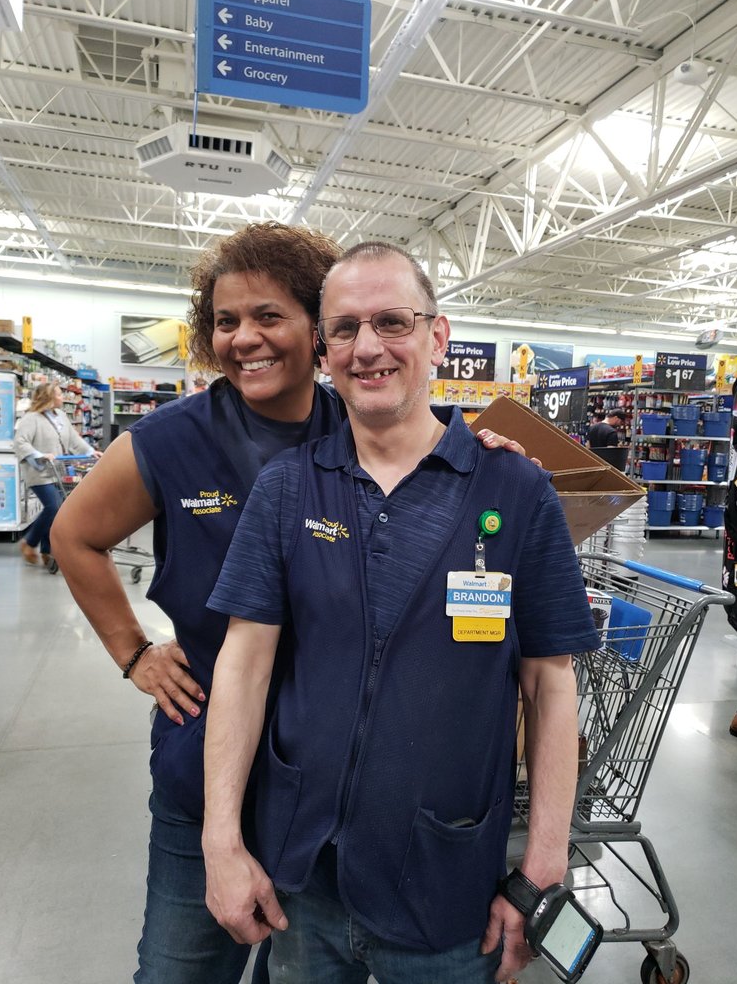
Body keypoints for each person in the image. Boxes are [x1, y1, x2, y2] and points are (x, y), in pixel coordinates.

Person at [50, 223, 523, 983]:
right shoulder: (169, 441)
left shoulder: (360, 424)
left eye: (269, 316)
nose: (244, 338)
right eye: (225, 321)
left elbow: (446, 471)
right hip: (209, 763)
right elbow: (73, 535)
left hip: (328, 784)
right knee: (179, 968)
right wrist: (133, 653)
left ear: (318, 331)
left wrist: (486, 456)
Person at [202, 242, 601, 983]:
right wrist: (220, 840)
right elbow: (244, 664)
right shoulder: (289, 488)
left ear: (437, 337)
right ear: (324, 350)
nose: (368, 348)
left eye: (392, 322)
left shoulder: (516, 492)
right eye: (345, 328)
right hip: (302, 884)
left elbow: (550, 683)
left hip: (448, 885)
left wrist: (543, 863)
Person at [13, 382, 99, 566]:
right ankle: (29, 542)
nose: (63, 397)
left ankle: (47, 551)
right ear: (49, 398)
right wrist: (39, 455)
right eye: (59, 394)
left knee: (56, 512)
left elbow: (74, 439)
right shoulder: (31, 418)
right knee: (54, 507)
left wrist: (91, 452)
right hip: (39, 472)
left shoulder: (61, 416)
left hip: (57, 470)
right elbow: (20, 442)